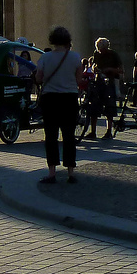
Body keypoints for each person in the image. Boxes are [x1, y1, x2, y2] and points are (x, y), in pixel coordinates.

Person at [35, 25, 86, 184]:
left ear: (52, 40)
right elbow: (79, 81)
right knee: (69, 135)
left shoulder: (45, 57)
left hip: (50, 99)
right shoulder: (75, 57)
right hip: (69, 99)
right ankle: (70, 172)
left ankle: (52, 172)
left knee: (51, 136)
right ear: (68, 41)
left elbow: (39, 79)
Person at [84, 37, 122, 139]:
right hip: (98, 81)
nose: (100, 51)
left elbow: (120, 70)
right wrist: (94, 68)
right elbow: (94, 66)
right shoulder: (96, 54)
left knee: (109, 107)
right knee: (94, 107)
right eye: (99, 49)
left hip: (109, 81)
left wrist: (109, 69)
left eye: (102, 49)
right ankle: (93, 131)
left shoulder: (113, 55)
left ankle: (109, 131)